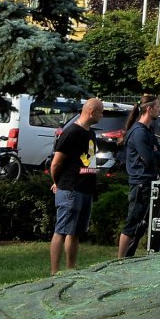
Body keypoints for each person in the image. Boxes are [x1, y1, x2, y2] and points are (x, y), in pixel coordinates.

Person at [49, 97, 102, 274]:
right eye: (100, 112)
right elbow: (56, 163)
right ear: (91, 111)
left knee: (75, 232)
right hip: (70, 189)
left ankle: (71, 270)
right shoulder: (71, 132)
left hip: (85, 189)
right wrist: (57, 183)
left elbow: (90, 161)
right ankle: (55, 272)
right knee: (62, 230)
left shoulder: (90, 133)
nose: (102, 115)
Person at [117, 94, 160, 257]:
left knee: (142, 225)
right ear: (149, 109)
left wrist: (156, 153)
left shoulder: (148, 131)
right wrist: (155, 154)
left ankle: (128, 257)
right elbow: (149, 159)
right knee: (133, 223)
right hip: (140, 184)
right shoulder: (138, 133)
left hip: (147, 182)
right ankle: (120, 261)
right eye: (157, 107)